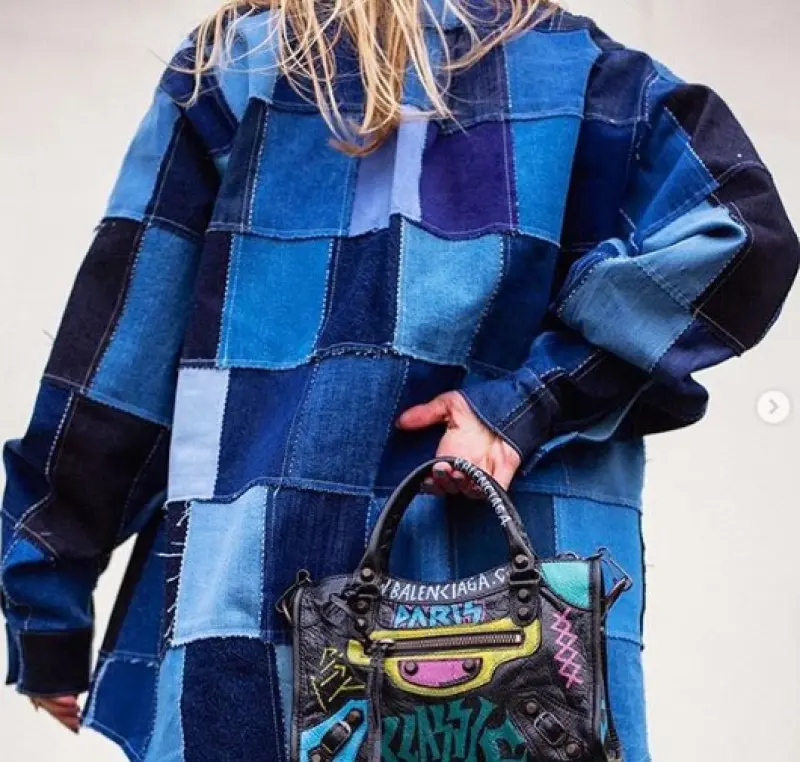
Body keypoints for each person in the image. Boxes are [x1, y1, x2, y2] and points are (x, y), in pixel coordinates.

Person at [2, 0, 797, 760]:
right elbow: (738, 233)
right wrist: (532, 400)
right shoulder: (595, 82)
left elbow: (120, 360)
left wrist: (47, 601)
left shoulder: (239, 68)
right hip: (530, 668)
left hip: (256, 610)